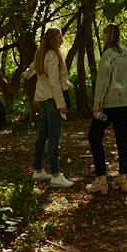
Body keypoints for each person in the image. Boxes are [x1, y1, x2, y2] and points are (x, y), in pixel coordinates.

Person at [87, 22, 127, 195]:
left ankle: (101, 178)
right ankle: (123, 176)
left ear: (108, 36)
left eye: (104, 35)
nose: (103, 38)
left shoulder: (108, 56)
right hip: (126, 104)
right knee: (122, 138)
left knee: (94, 136)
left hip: (109, 106)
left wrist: (96, 106)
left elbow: (102, 83)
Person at [30, 26, 75, 188]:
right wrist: (61, 104)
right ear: (52, 39)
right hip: (52, 99)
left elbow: (31, 69)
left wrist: (25, 74)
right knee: (54, 136)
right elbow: (55, 83)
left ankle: (38, 170)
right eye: (59, 37)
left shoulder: (40, 54)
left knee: (43, 134)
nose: (62, 40)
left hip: (42, 98)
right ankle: (56, 175)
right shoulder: (53, 56)